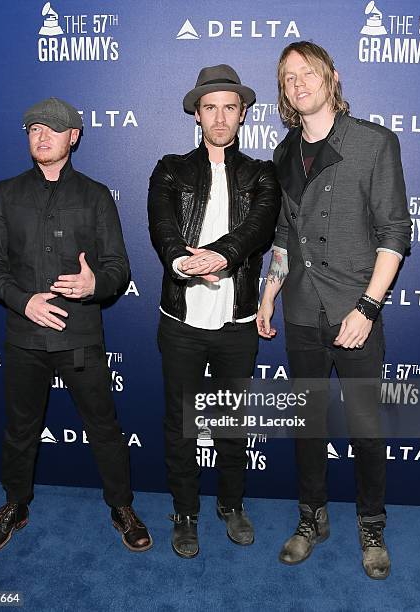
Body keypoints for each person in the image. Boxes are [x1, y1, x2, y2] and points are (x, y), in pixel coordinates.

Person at [257, 42, 411, 579]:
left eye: (306, 73)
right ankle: (311, 518)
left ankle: (371, 526)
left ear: (331, 77)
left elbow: (395, 234)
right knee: (308, 425)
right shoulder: (282, 152)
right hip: (300, 312)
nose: (296, 84)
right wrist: (269, 294)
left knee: (367, 428)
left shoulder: (374, 144)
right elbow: (282, 233)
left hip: (356, 313)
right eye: (287, 78)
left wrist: (367, 307)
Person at [0, 97, 152, 553]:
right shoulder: (6, 193)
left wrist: (96, 284)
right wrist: (24, 301)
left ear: (74, 136)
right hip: (24, 336)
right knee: (19, 429)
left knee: (104, 428)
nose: (41, 135)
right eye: (34, 128)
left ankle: (121, 506)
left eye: (53, 129)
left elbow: (118, 267)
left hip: (79, 339)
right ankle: (15, 504)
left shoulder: (95, 196)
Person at [148, 65, 280, 558]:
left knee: (231, 421)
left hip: (237, 322)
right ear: (197, 115)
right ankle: (185, 512)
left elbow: (261, 229)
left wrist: (219, 256)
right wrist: (184, 262)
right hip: (181, 320)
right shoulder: (169, 168)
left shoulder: (262, 173)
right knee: (180, 422)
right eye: (210, 107)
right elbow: (162, 226)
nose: (220, 117)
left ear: (243, 114)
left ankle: (231, 504)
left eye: (229, 107)